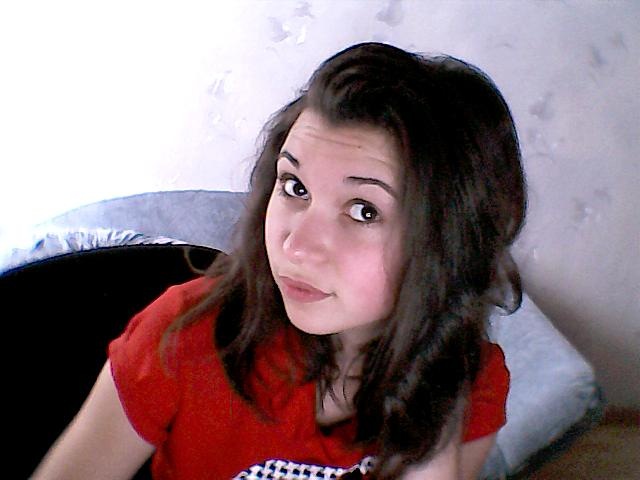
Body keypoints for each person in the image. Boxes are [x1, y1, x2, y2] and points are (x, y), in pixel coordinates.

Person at [32, 42, 526, 480]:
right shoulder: (182, 341)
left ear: (450, 242)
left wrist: (430, 415)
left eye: (363, 210)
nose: (295, 247)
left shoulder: (470, 382)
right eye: (295, 187)